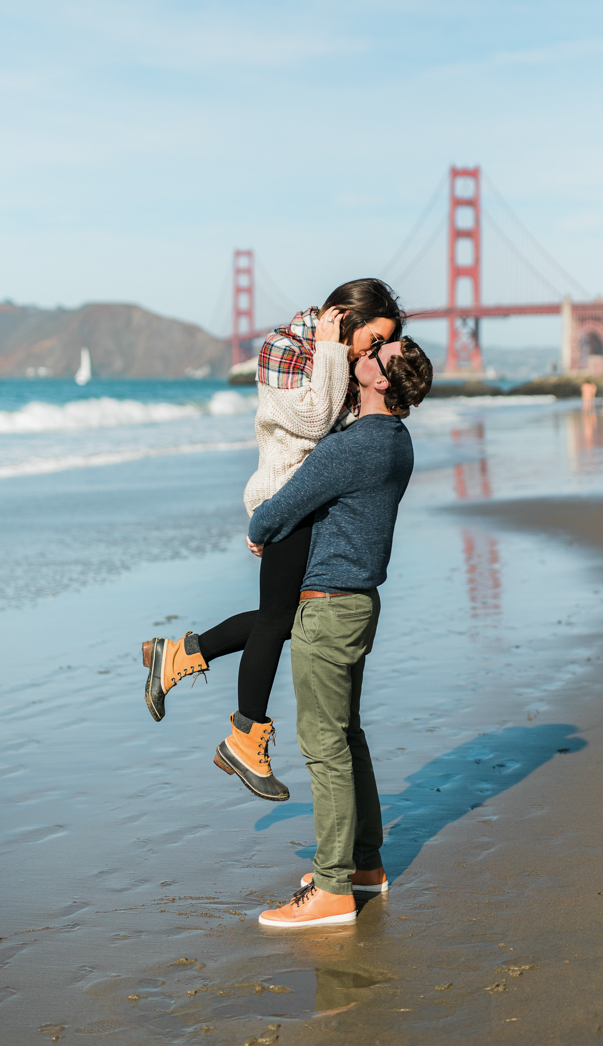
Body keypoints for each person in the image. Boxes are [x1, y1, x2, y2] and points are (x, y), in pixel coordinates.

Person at [142, 279, 404, 801]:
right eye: (372, 339)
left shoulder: (343, 357)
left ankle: (180, 654)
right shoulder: (283, 349)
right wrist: (331, 351)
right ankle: (243, 735)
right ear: (343, 318)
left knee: (279, 618)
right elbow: (313, 421)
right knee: (279, 619)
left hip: (309, 500)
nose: (372, 351)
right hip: (285, 497)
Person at [248, 335, 433, 928]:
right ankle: (364, 866)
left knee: (324, 746)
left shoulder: (352, 448)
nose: (367, 349)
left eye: (378, 349)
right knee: (347, 736)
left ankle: (331, 890)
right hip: (357, 605)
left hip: (328, 608)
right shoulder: (397, 442)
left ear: (380, 380)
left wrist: (259, 527)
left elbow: (274, 510)